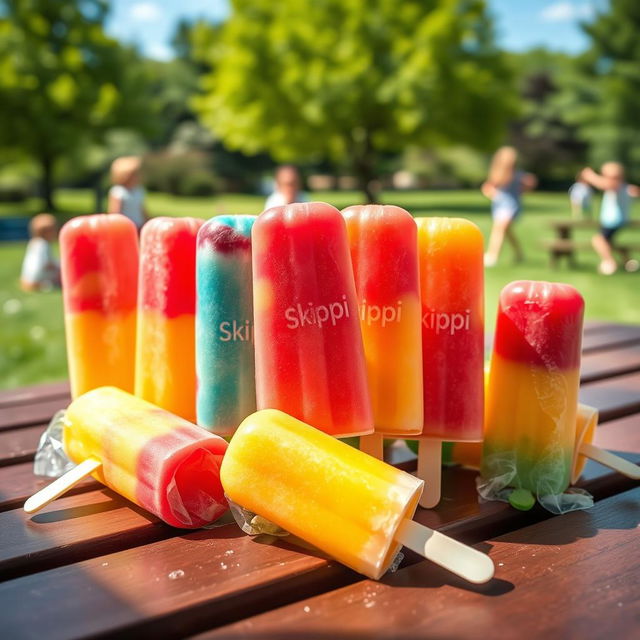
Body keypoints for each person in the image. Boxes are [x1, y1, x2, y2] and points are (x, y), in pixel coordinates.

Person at [481, 146, 537, 267]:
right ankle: (519, 253)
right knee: (505, 230)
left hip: (512, 206)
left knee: (500, 228)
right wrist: (494, 194)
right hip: (500, 205)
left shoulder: (518, 175)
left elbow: (526, 187)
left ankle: (492, 255)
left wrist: (528, 184)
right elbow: (487, 188)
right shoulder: (497, 175)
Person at [581, 162, 640, 275]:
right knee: (609, 242)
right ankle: (629, 262)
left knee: (598, 240)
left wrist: (590, 175)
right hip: (619, 220)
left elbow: (605, 184)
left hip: (612, 220)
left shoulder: (615, 186)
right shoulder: (625, 187)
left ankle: (609, 262)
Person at [20, 214, 60, 292]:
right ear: (45, 232)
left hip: (27, 278)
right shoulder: (44, 245)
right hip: (39, 280)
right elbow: (46, 264)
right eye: (53, 230)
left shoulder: (33, 243)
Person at [108, 156, 148, 229]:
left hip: (139, 225)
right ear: (125, 176)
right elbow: (115, 212)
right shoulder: (118, 191)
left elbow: (141, 208)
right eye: (134, 175)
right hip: (125, 227)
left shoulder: (139, 190)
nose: (138, 177)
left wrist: (147, 221)